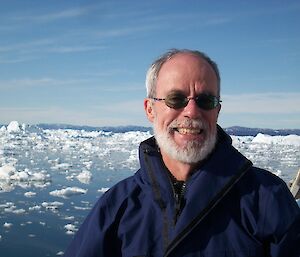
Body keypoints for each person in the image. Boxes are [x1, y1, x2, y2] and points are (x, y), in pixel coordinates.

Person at [64, 49, 300, 257]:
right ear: (150, 109)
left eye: (205, 100)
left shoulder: (267, 199)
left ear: (217, 110)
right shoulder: (117, 207)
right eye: (175, 99)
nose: (192, 111)